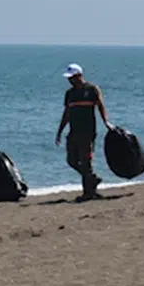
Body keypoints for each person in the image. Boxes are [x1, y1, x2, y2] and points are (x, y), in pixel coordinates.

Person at [55, 63, 113, 202]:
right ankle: (92, 178)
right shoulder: (70, 94)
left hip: (87, 132)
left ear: (79, 75)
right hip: (73, 132)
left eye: (72, 77)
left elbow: (101, 106)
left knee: (86, 161)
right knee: (72, 160)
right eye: (69, 78)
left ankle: (89, 192)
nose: (70, 80)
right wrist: (59, 131)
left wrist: (106, 122)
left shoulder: (92, 89)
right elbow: (67, 113)